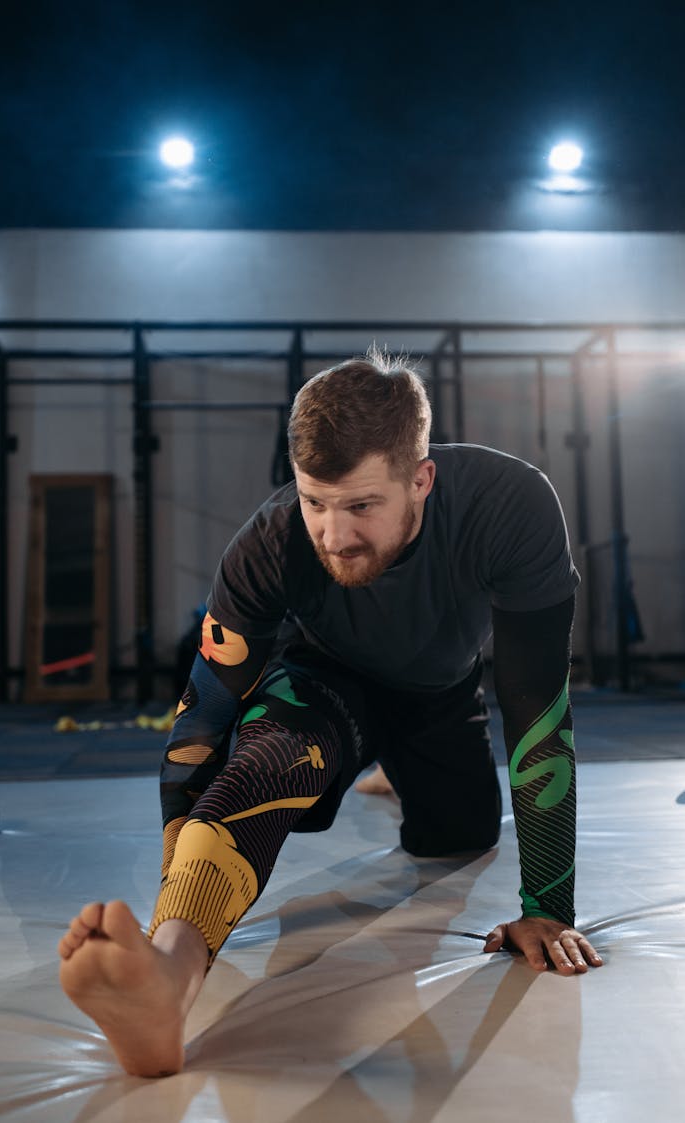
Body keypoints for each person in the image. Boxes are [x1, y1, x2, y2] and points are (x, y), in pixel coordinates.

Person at [58, 352, 603, 1078]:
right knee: (268, 754)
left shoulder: (510, 506)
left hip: (441, 698)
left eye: (361, 506)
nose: (334, 533)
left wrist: (548, 905)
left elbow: (537, 707)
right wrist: (180, 900)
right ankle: (166, 985)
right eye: (316, 501)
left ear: (421, 479)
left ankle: (388, 774)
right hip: (324, 682)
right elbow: (201, 721)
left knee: (460, 835)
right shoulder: (270, 542)